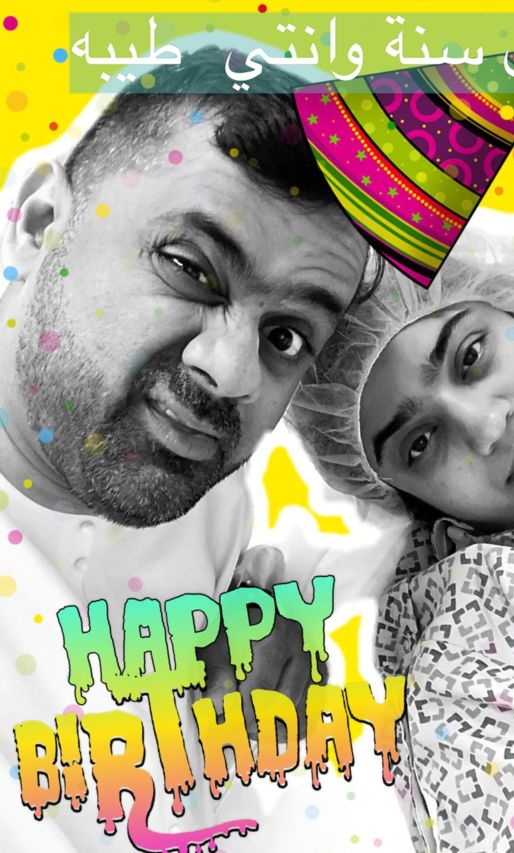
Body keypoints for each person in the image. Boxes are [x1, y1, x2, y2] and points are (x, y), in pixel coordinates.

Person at [0, 45, 373, 851]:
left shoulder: (206, 497)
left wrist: (266, 629)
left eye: (285, 335)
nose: (232, 373)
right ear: (38, 223)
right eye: (189, 268)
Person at [289, 220, 514, 851]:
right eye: (420, 443)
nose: (487, 427)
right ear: (418, 503)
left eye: (471, 356)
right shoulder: (478, 676)